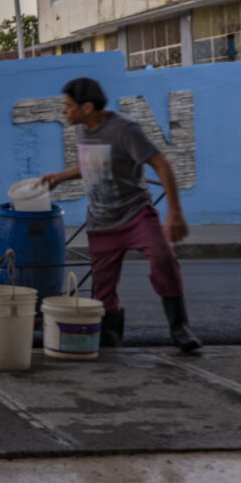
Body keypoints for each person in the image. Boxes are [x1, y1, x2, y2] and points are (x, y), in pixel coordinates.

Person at [41, 77, 201, 352]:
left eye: (68, 106)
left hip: (135, 213)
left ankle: (179, 327)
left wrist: (175, 212)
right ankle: (110, 338)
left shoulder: (125, 129)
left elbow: (162, 165)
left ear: (87, 107)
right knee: (103, 285)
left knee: (163, 258)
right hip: (101, 221)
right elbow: (94, 164)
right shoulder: (83, 130)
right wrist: (61, 176)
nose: (64, 111)